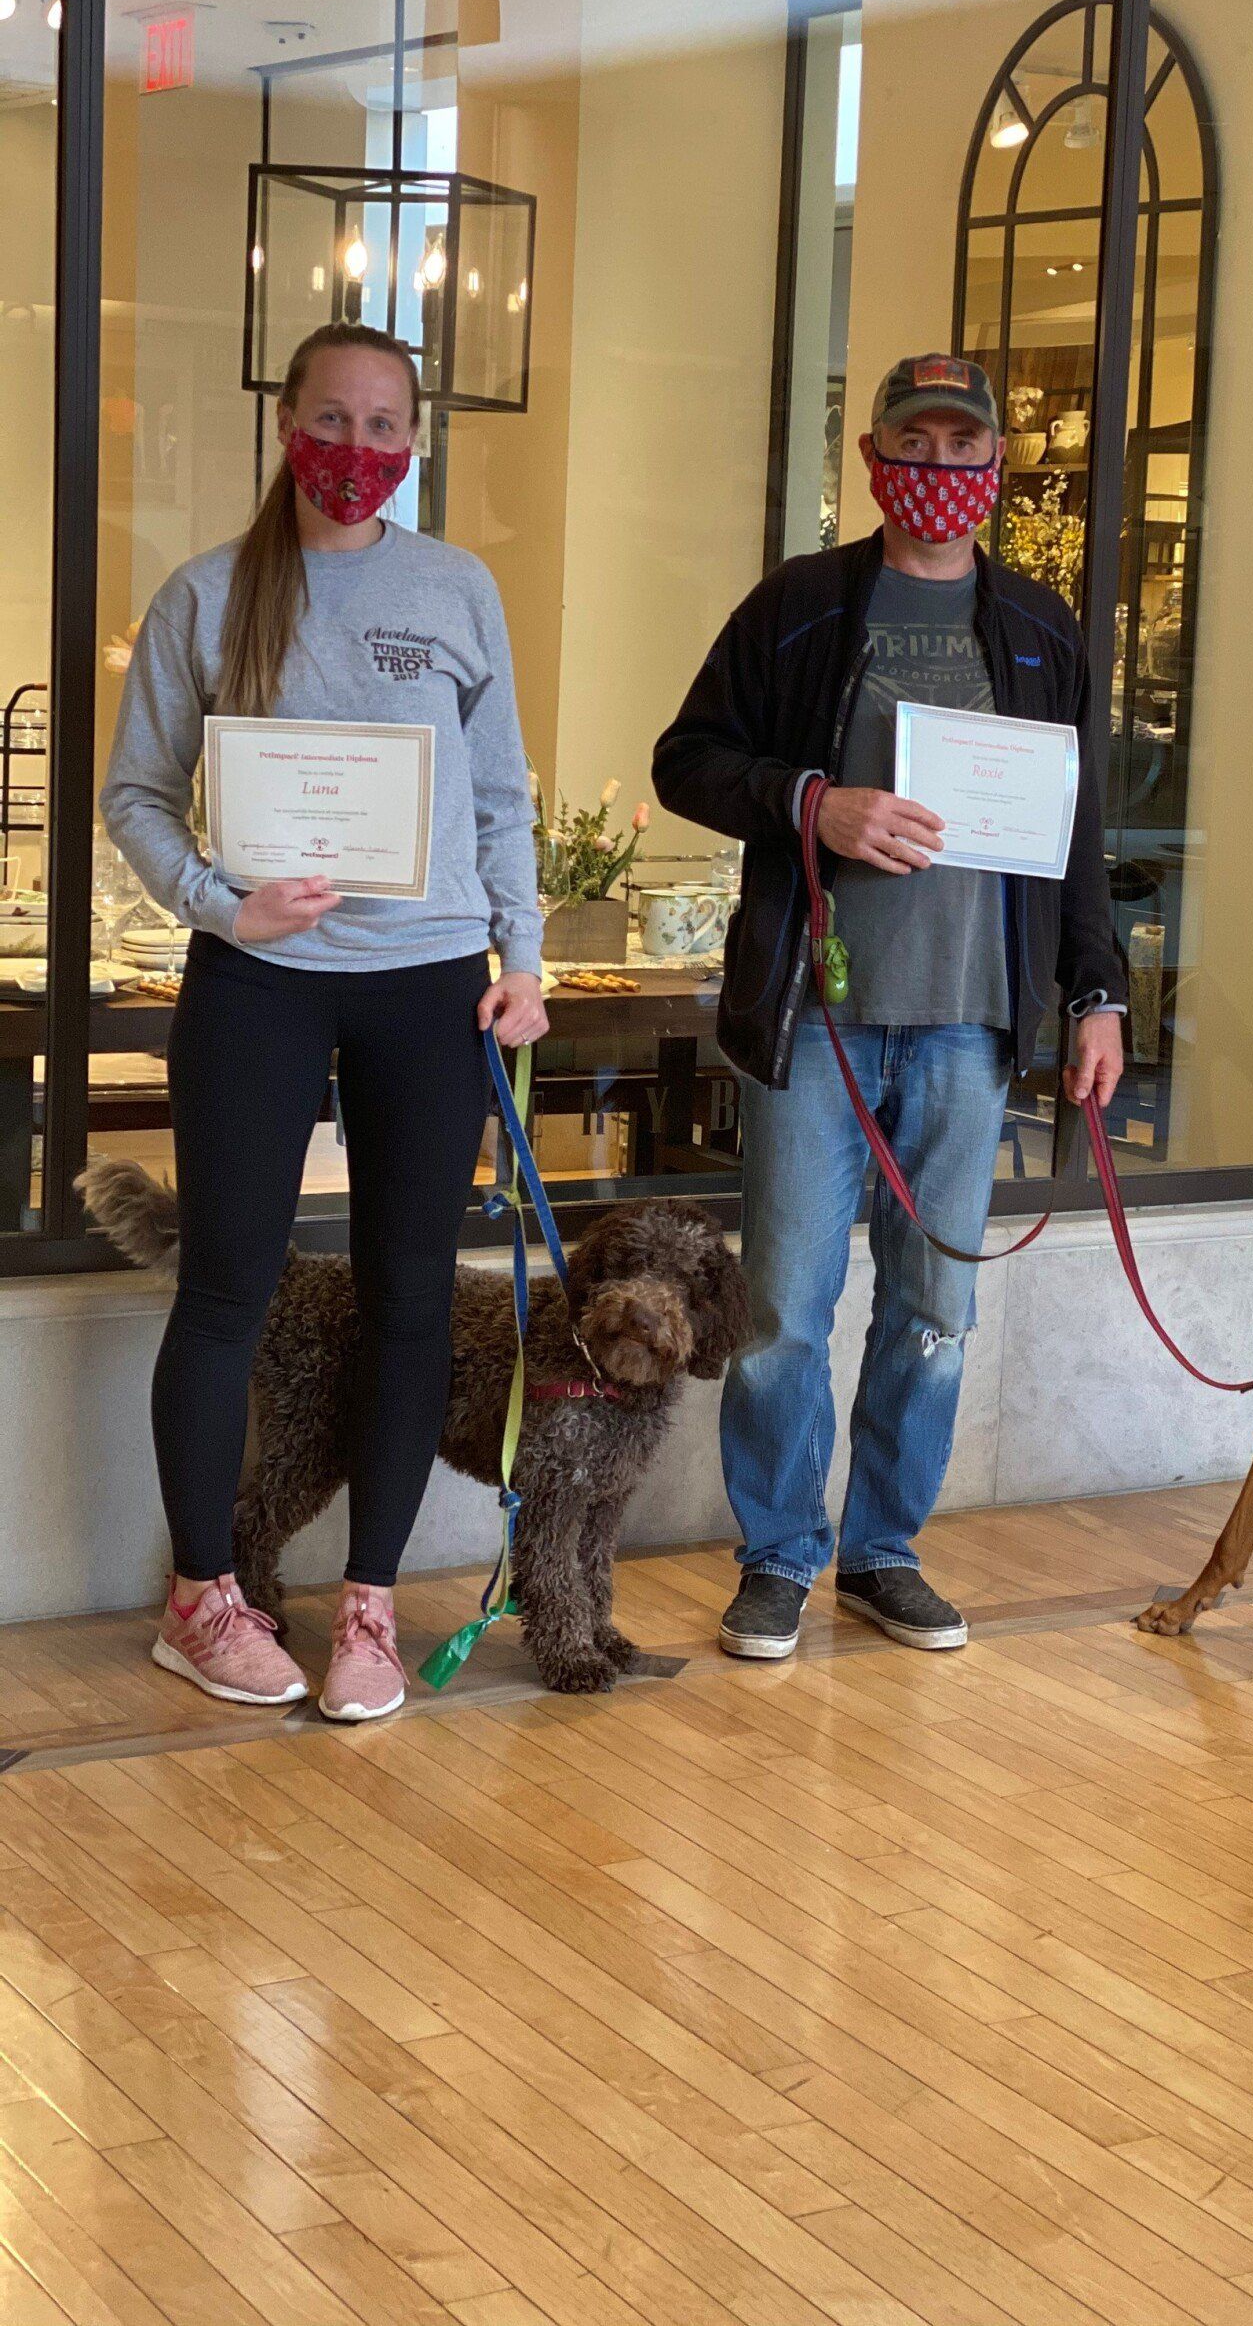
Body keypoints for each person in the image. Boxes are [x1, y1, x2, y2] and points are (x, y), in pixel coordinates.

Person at [101, 320, 548, 1723]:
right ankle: (203, 1600)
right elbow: (136, 797)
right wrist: (224, 907)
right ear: (286, 418)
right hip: (257, 983)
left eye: (385, 425)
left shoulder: (457, 588)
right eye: (334, 419)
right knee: (228, 1289)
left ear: (414, 439)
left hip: (429, 979)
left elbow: (499, 798)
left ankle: (367, 1607)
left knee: (410, 1295)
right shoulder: (208, 594)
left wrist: (521, 957)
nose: (358, 450)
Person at [655, 352, 1125, 1660]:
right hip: (818, 1026)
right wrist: (817, 801)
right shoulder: (799, 609)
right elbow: (686, 758)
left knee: (933, 1316)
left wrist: (1097, 991)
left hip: (973, 1030)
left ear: (993, 468)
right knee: (782, 1318)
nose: (940, 473)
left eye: (963, 450)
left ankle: (883, 1554)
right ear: (873, 462)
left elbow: (1076, 835)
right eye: (914, 448)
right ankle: (778, 1559)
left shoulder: (1038, 632)